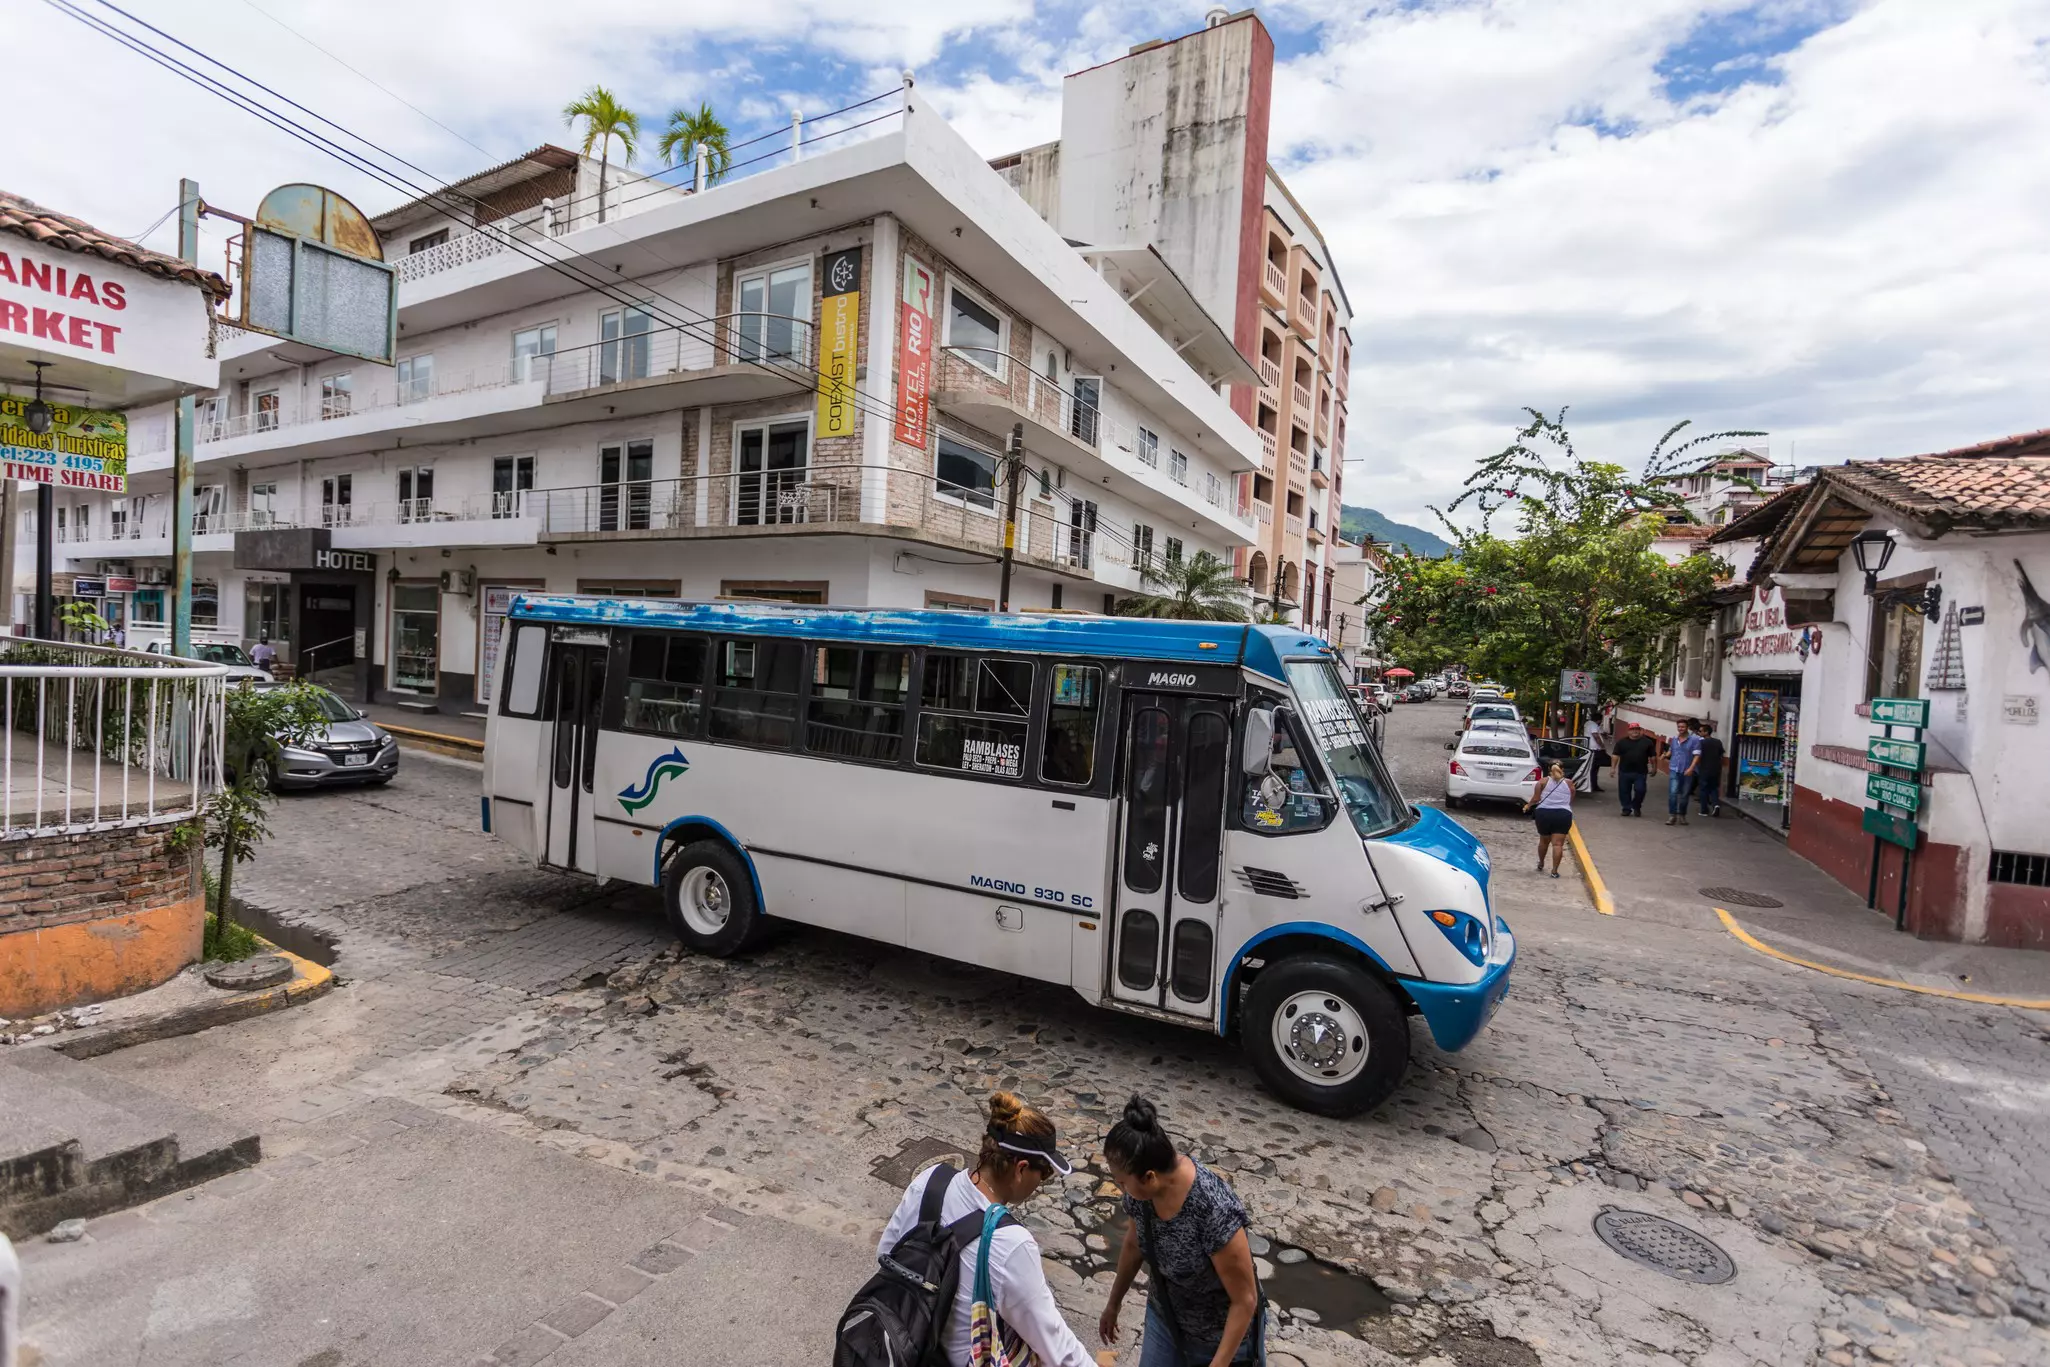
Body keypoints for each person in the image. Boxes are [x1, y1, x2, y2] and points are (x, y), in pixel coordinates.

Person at [875, 1092, 1092, 1367]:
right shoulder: (1011, 1243)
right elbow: (1055, 1344)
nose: (1042, 1183)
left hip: (901, 1350)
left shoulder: (929, 1180)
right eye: (1044, 1174)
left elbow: (886, 1255)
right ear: (1021, 1169)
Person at [1099, 1096, 1262, 1367]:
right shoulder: (1141, 1196)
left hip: (1218, 1339)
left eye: (1122, 1182)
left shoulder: (1213, 1207)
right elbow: (1133, 1245)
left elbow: (1245, 1300)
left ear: (1150, 1177)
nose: (1120, 1189)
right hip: (1166, 1321)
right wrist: (1113, 1303)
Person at [1522, 760, 1575, 876]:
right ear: (1563, 769)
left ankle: (1541, 863)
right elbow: (1570, 800)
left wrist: (1528, 805)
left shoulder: (1542, 782)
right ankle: (1554, 871)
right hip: (1563, 814)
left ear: (1549, 770)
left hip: (1544, 814)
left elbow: (1536, 799)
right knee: (1558, 844)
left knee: (1543, 841)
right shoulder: (1569, 783)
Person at [1611, 722, 1657, 817]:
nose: (1635, 731)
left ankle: (1636, 806)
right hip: (1625, 771)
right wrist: (1613, 768)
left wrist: (1654, 768)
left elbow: (1653, 756)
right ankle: (1626, 808)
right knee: (1624, 791)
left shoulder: (1647, 742)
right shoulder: (1622, 742)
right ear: (1628, 731)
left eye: (1637, 729)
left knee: (1641, 790)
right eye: (1632, 729)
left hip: (1640, 772)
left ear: (1640, 731)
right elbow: (1615, 755)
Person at [1665, 718, 1701, 826]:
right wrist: (1666, 755)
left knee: (1684, 795)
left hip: (1687, 771)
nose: (1681, 729)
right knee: (1672, 793)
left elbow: (1697, 755)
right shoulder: (1674, 738)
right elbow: (1671, 750)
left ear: (1687, 728)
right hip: (1674, 769)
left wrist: (1691, 768)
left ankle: (1682, 815)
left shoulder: (1694, 740)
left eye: (1683, 727)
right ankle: (1672, 815)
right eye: (1679, 727)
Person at [1693, 720, 1725, 818]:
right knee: (1714, 788)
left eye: (1700, 731)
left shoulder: (1701, 743)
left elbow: (1697, 755)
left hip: (1704, 768)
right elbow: (1721, 754)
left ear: (1706, 732)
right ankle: (1716, 804)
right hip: (1715, 769)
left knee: (1703, 789)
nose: (1699, 733)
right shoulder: (1718, 742)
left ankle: (1704, 810)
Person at [1581, 712, 1607, 793]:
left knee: (1593, 768)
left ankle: (1593, 785)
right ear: (1599, 720)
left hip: (1590, 748)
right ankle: (1593, 785)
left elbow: (1599, 732)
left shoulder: (1588, 723)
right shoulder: (1593, 725)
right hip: (1594, 749)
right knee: (1594, 768)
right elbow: (1596, 737)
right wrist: (1602, 746)